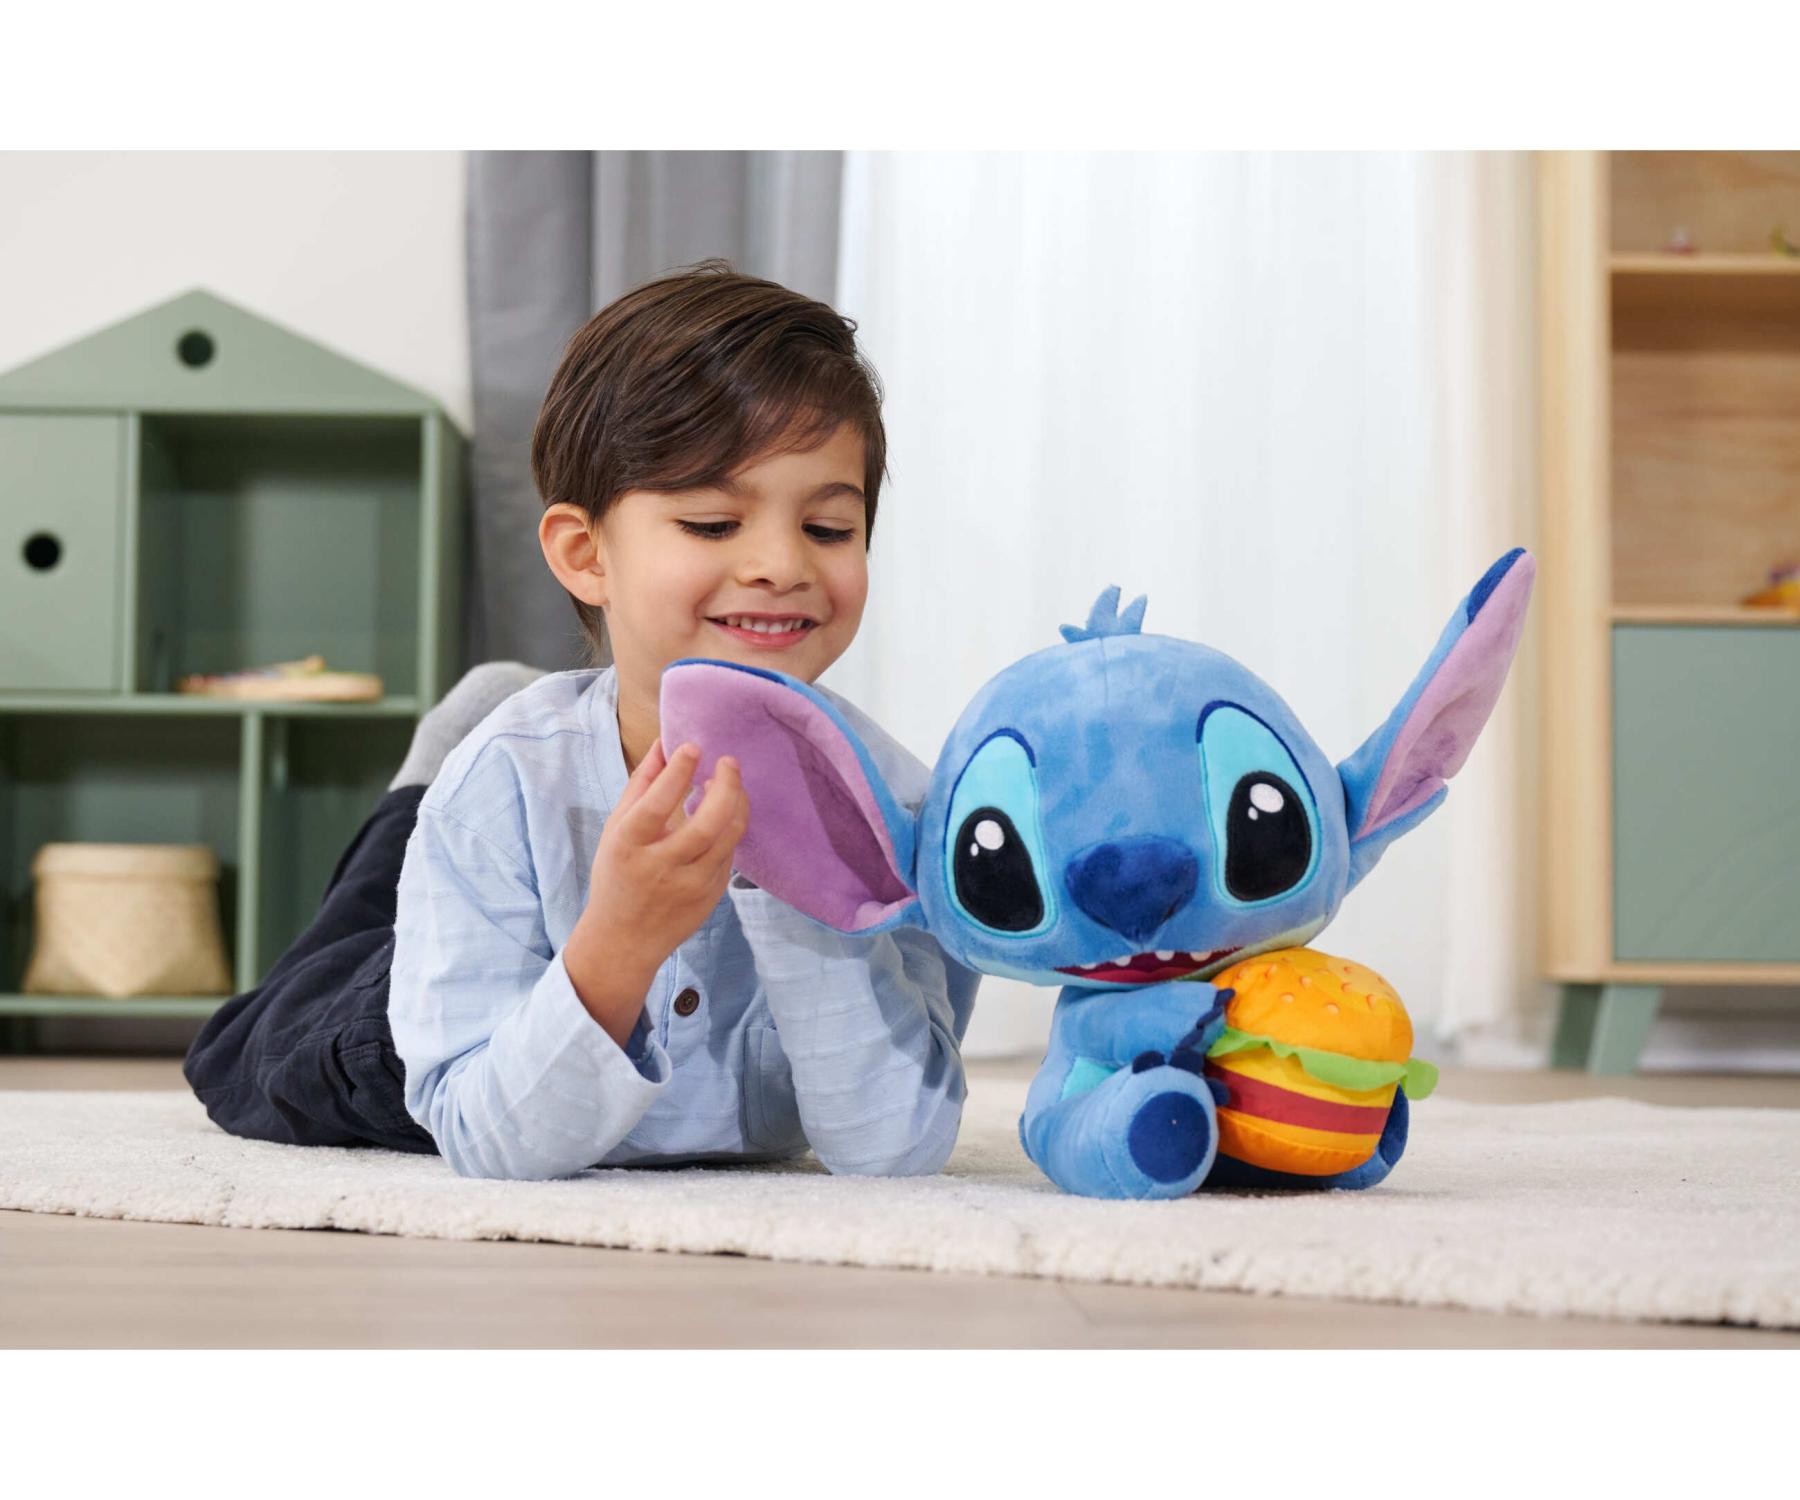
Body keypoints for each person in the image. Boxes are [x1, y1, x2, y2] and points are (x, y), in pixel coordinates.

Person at [183, 261, 980, 1180]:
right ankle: (422, 790)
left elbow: (893, 1151)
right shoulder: (507, 785)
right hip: (438, 1034)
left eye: (829, 530)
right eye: (713, 523)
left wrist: (807, 879)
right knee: (251, 1050)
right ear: (585, 554)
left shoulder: (908, 815)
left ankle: (426, 789)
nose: (781, 565)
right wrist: (619, 940)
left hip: (517, 879)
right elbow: (487, 1137)